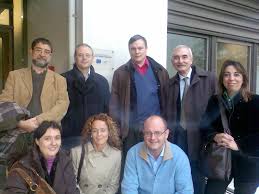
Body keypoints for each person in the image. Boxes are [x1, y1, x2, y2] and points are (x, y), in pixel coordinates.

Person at [200, 60, 259, 194]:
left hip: (248, 164)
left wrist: (238, 145)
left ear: (243, 78)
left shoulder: (256, 101)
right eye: (227, 75)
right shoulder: (215, 101)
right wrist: (215, 136)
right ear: (222, 79)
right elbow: (204, 126)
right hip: (221, 161)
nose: (231, 78)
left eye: (236, 74)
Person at [166, 45, 217, 194]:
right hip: (177, 137)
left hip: (200, 138)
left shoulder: (209, 79)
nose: (180, 61)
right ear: (172, 61)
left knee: (197, 178)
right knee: (178, 175)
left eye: (184, 57)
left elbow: (219, 109)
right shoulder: (169, 84)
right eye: (176, 57)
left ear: (191, 59)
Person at [110, 35, 169, 154]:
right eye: (133, 49)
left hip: (155, 130)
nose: (137, 52)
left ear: (146, 49)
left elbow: (167, 101)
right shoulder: (120, 73)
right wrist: (117, 130)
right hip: (131, 130)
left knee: (154, 163)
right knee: (132, 162)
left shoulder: (161, 71)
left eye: (140, 48)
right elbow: (114, 104)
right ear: (129, 50)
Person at [0, 37, 69, 132]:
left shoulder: (60, 80)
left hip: (48, 131)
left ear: (50, 55)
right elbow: (4, 102)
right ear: (31, 51)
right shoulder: (15, 76)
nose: (42, 54)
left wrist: (38, 121)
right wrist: (20, 123)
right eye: (38, 50)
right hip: (19, 131)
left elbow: (62, 105)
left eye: (46, 52)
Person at [121, 115, 193, 194]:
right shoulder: (133, 153)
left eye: (157, 133)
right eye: (148, 133)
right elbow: (129, 188)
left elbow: (185, 191)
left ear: (166, 134)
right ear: (143, 134)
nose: (153, 138)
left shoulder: (180, 157)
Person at [4, 121, 80, 194]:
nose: (53, 143)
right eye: (47, 138)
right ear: (37, 141)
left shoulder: (66, 161)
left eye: (57, 138)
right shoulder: (23, 166)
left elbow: (73, 191)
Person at [61, 43, 110, 150]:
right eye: (80, 55)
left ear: (92, 58)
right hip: (69, 137)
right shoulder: (62, 79)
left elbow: (107, 111)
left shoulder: (102, 82)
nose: (84, 58)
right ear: (75, 57)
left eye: (87, 55)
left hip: (95, 136)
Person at [71, 113, 122, 194]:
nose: (99, 134)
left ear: (109, 132)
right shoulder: (76, 152)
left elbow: (113, 185)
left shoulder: (116, 155)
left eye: (103, 130)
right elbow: (72, 183)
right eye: (95, 130)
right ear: (91, 133)